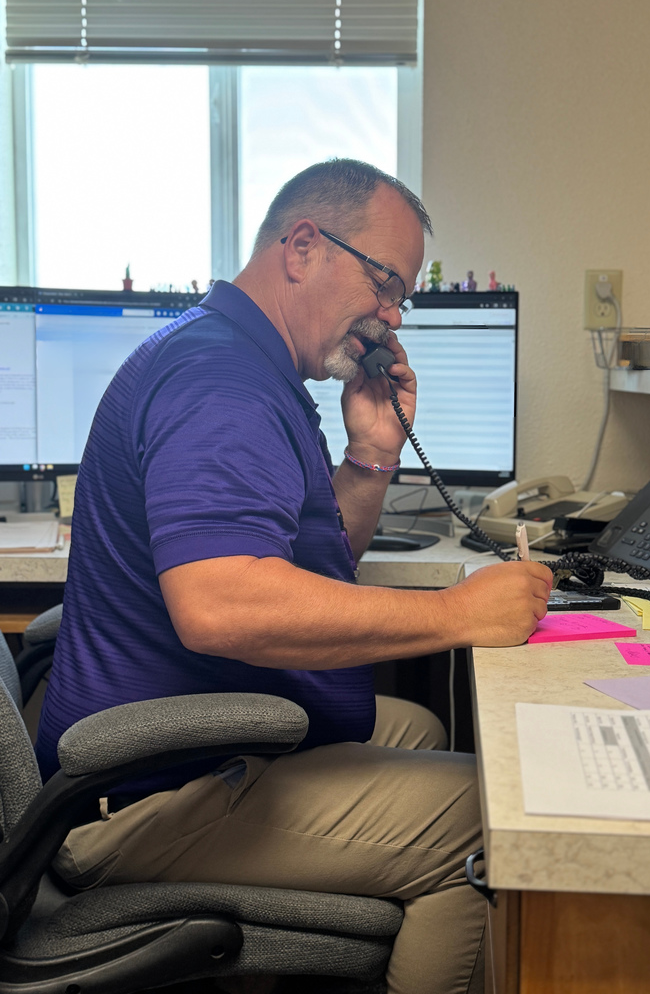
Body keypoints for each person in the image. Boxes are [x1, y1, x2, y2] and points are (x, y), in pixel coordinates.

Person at [36, 159, 552, 994]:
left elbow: (304, 574)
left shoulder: (240, 361)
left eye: (401, 300)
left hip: (179, 744)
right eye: (386, 284)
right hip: (147, 797)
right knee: (491, 820)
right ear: (303, 245)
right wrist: (457, 614)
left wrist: (373, 454)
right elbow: (222, 605)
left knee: (418, 727)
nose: (392, 319)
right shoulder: (222, 385)